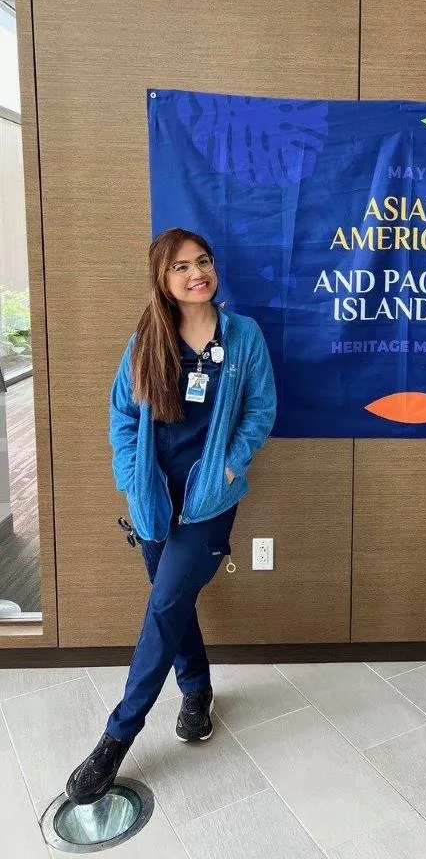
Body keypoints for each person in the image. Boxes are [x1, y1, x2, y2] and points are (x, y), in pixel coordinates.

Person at [65, 228, 276, 805]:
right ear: (163, 278)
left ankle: (115, 737)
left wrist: (232, 466)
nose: (195, 274)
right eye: (181, 266)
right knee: (173, 604)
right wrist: (132, 482)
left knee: (162, 608)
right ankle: (197, 693)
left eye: (202, 262)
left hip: (209, 502)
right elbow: (123, 420)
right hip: (154, 502)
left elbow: (261, 408)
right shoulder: (147, 339)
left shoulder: (243, 337)